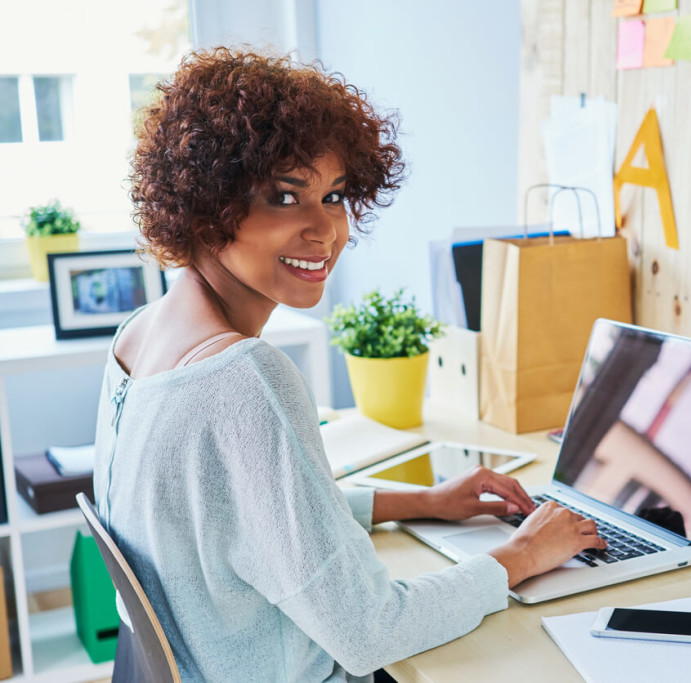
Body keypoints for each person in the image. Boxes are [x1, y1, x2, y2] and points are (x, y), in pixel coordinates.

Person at [93, 47, 605, 682]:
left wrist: (424, 501)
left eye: (334, 196)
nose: (325, 230)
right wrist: (523, 554)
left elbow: (236, 521)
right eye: (284, 196)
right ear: (205, 206)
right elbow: (371, 631)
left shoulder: (138, 337)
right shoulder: (242, 376)